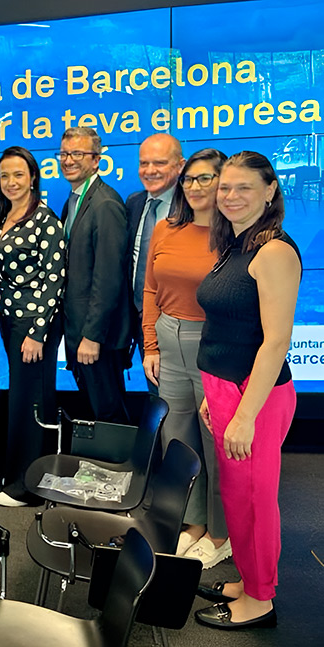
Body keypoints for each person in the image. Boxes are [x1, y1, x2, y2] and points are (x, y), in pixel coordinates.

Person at [193, 151, 301, 630]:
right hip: (225, 390)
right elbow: (227, 327)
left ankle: (261, 600)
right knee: (236, 496)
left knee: (255, 499)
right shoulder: (235, 245)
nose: (230, 196)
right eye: (225, 188)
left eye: (244, 188)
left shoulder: (274, 251)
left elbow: (276, 341)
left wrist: (243, 415)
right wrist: (211, 393)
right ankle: (249, 580)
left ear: (270, 192)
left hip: (253, 398)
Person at [141, 149, 228, 566]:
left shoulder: (237, 238)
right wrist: (151, 345)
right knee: (178, 443)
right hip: (168, 341)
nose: (195, 187)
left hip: (213, 345)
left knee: (217, 447)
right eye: (190, 179)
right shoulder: (165, 228)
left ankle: (219, 532)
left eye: (205, 178)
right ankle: (192, 522)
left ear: (223, 182)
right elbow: (151, 290)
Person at [0, 147, 65, 507]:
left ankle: (28, 487)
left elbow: (54, 279)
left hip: (34, 325)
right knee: (24, 397)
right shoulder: (5, 216)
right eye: (5, 175)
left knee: (30, 400)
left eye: (19, 174)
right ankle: (26, 472)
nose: (11, 182)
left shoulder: (45, 220)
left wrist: (37, 331)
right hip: (10, 319)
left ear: (33, 176)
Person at [58, 127, 131, 423]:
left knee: (109, 412)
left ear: (96, 160)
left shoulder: (105, 204)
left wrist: (92, 335)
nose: (68, 160)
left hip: (97, 337)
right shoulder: (74, 200)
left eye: (77, 154)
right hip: (80, 332)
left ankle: (118, 468)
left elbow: (108, 277)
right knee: (96, 407)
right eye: (64, 153)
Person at [127, 134, 185, 391]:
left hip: (181, 326)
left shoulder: (194, 206)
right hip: (143, 322)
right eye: (144, 163)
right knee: (159, 399)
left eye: (159, 163)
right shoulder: (134, 203)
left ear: (180, 166)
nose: (149, 171)